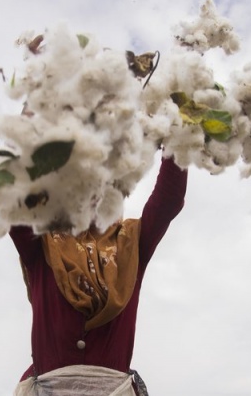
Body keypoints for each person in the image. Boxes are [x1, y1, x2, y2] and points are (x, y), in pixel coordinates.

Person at [10, 155, 188, 395]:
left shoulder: (132, 243)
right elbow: (14, 196)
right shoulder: (42, 244)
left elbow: (169, 198)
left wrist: (178, 139)